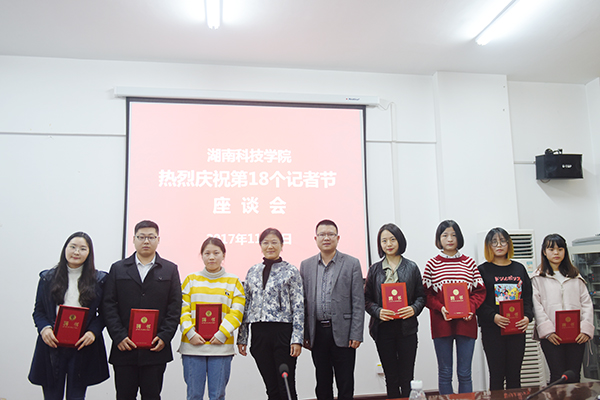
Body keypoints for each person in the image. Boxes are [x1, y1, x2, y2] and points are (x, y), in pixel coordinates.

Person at [102, 220, 182, 400]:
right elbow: (108, 304)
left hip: (155, 348)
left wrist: (164, 336)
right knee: (124, 396)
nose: (146, 241)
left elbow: (175, 306)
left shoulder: (169, 269)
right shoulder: (118, 268)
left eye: (151, 237)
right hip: (124, 347)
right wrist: (119, 336)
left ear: (158, 239)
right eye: (141, 237)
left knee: (152, 396)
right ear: (133, 239)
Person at [28, 232, 109, 399]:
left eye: (83, 248)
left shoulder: (99, 280)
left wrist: (92, 332)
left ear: (89, 253)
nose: (76, 252)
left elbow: (104, 314)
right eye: (72, 247)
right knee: (52, 396)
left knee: (76, 396)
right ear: (65, 249)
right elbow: (39, 311)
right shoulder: (47, 278)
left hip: (82, 346)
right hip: (52, 344)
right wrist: (45, 329)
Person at [300, 220, 365, 400]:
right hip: (318, 332)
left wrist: (356, 334)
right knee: (322, 382)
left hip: (344, 332)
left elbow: (358, 301)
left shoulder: (352, 263)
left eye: (330, 234)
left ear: (338, 238)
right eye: (322, 234)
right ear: (315, 239)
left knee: (345, 382)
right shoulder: (306, 265)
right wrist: (305, 333)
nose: (326, 238)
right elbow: (303, 303)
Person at [237, 228, 304, 400]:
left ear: (282, 245)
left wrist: (297, 339)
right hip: (259, 334)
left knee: (286, 386)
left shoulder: (291, 271)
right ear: (260, 246)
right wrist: (242, 337)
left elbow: (298, 306)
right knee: (271, 388)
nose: (270, 246)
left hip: (283, 333)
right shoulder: (252, 271)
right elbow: (246, 304)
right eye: (266, 242)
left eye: (274, 242)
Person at [423, 220, 486, 395]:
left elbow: (480, 291)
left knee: (465, 373)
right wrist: (440, 308)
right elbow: (426, 295)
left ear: (459, 238)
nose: (449, 239)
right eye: (445, 235)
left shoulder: (469, 263)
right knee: (445, 373)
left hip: (466, 323)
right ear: (439, 239)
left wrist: (470, 308)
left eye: (453, 235)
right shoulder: (432, 265)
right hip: (441, 324)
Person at [179, 237, 246, 400]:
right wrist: (190, 333)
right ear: (201, 255)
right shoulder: (190, 280)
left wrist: (222, 333)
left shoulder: (233, 281)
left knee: (217, 395)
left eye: (216, 253)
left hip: (221, 347)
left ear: (223, 255)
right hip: (193, 347)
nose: (211, 257)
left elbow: (237, 312)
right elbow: (182, 309)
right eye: (207, 253)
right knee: (194, 395)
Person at [364, 223, 426, 399]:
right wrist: (378, 311)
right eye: (384, 240)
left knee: (407, 377)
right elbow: (366, 299)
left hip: (407, 329)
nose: (389, 244)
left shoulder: (412, 267)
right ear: (380, 244)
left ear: (400, 241)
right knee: (391, 378)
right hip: (383, 329)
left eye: (392, 239)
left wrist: (413, 309)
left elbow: (421, 297)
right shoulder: (374, 270)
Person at [531, 233, 594, 383]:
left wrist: (585, 329)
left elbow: (586, 303)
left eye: (560, 249)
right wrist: (547, 331)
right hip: (552, 336)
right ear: (544, 252)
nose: (556, 253)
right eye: (551, 249)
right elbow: (536, 306)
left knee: (574, 375)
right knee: (557, 376)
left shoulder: (575, 276)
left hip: (576, 335)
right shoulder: (537, 278)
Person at [477, 227, 533, 390]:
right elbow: (478, 302)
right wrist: (493, 317)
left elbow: (528, 297)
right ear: (488, 246)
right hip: (492, 330)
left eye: (503, 241)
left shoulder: (519, 268)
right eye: (494, 242)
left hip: (516, 329)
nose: (499, 245)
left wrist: (527, 317)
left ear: (509, 244)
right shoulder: (482, 270)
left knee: (514, 375)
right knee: (496, 375)